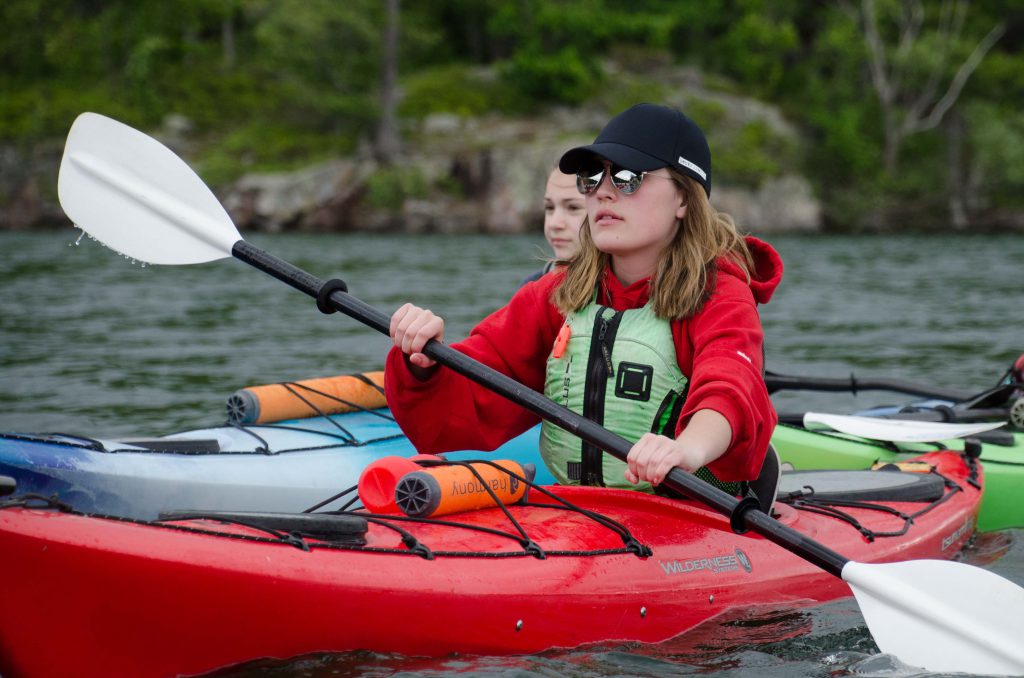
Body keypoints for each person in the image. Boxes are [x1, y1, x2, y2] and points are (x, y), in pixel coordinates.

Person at [386, 103, 783, 492]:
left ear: (683, 198)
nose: (603, 192)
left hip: (686, 514)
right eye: (591, 178)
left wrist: (688, 448)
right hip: (581, 512)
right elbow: (467, 400)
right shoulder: (556, 295)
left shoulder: (721, 295)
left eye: (628, 177)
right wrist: (426, 364)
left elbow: (730, 386)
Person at [522, 165, 586, 285]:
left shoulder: (619, 285)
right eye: (549, 207)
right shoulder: (532, 284)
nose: (554, 224)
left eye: (573, 207)